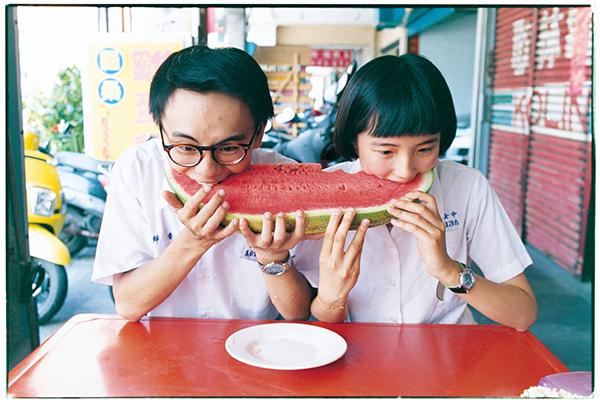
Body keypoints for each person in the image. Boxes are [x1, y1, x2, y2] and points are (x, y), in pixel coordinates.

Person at [294, 54, 538, 331]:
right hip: (360, 355)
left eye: (425, 149)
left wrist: (448, 269)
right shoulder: (323, 194)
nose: (405, 171)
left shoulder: (469, 186)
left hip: (449, 354)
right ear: (354, 140)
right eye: (386, 151)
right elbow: (318, 315)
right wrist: (331, 296)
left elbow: (523, 313)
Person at [92, 45, 312, 322]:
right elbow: (128, 305)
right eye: (185, 147)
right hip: (161, 354)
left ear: (258, 134)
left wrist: (274, 256)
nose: (207, 170)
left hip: (255, 349)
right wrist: (193, 242)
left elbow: (298, 312)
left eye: (230, 148)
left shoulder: (287, 180)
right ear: (159, 129)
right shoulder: (137, 170)